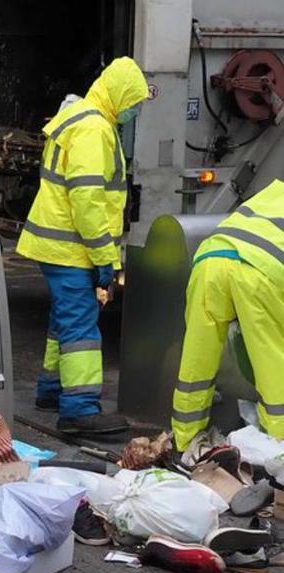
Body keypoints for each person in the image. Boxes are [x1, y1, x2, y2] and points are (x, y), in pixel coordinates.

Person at [17, 56, 148, 434]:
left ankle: (51, 390)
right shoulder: (95, 129)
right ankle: (79, 410)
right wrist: (106, 257)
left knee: (63, 321)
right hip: (73, 247)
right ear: (121, 95)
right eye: (134, 102)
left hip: (57, 245)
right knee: (81, 328)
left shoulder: (82, 118)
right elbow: (87, 200)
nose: (135, 110)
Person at [172, 180, 284, 451]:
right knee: (273, 364)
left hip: (210, 260)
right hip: (257, 270)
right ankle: (278, 451)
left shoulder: (275, 190)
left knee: (196, 363)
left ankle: (186, 444)